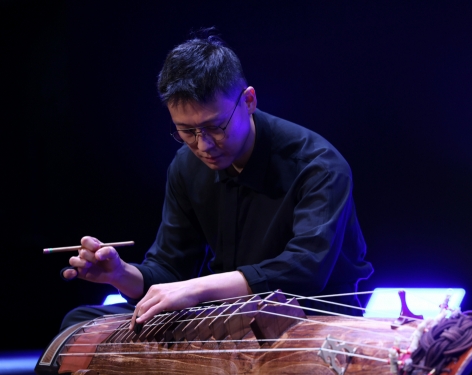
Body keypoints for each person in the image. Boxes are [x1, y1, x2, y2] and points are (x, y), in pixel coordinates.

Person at [60, 28, 373, 332]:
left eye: (216, 127)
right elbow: (171, 269)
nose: (203, 145)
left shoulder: (318, 164)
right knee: (80, 323)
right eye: (186, 132)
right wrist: (120, 273)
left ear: (249, 101)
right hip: (226, 309)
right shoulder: (185, 165)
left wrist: (196, 290)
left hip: (312, 312)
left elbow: (304, 269)